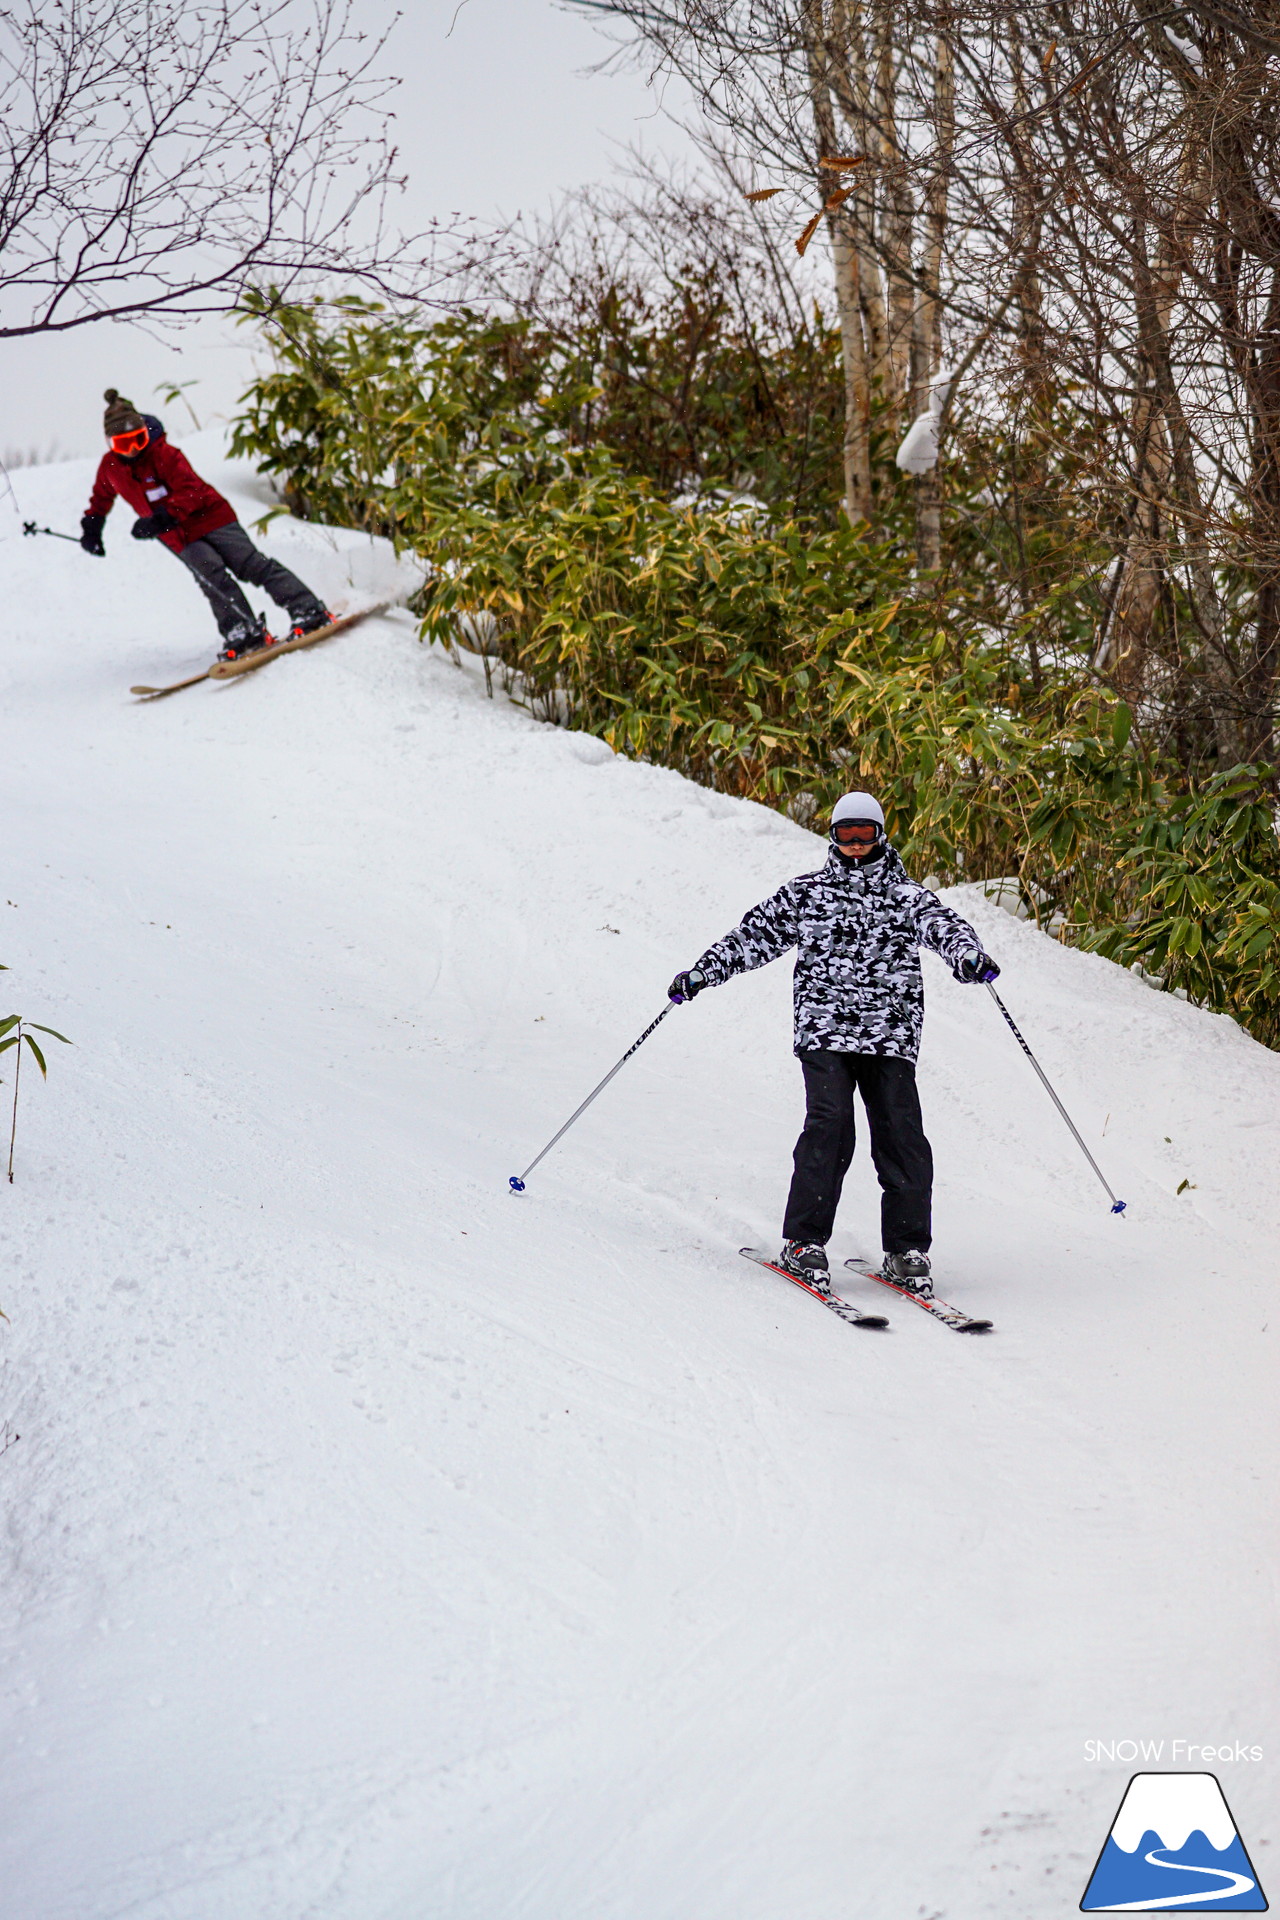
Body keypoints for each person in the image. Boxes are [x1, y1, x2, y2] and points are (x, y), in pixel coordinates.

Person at [668, 791, 999, 1297]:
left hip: (890, 1033)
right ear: (833, 837)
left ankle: (908, 1251)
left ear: (882, 835)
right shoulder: (807, 894)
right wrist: (702, 973)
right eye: (846, 836)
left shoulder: (906, 897)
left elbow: (944, 927)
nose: (856, 846)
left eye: (865, 835)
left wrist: (968, 956)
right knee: (830, 1126)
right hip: (825, 1030)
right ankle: (804, 1242)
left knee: (902, 1134)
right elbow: (751, 938)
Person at [80, 389, 331, 660]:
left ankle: (307, 609)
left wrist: (161, 519)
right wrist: (92, 527)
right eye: (123, 445)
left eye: (138, 440)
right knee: (211, 578)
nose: (132, 450)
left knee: (249, 564)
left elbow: (189, 490)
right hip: (178, 536)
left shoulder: (165, 454)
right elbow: (101, 497)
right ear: (110, 444)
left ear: (145, 433)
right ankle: (242, 630)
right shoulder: (110, 467)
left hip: (210, 517)